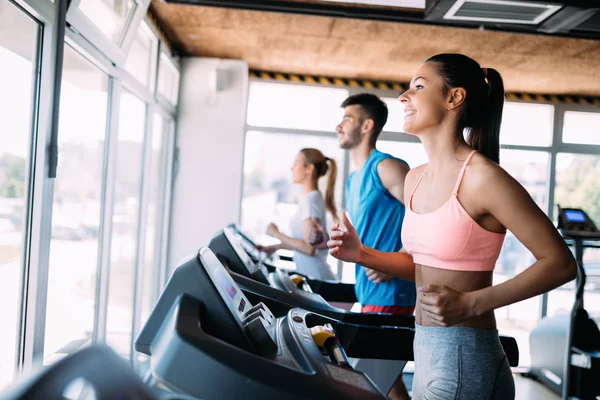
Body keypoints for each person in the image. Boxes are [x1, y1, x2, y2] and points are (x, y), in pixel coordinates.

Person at [327, 53, 577, 400]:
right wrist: (363, 254)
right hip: (426, 348)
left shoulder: (483, 178)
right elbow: (421, 266)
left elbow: (560, 263)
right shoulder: (416, 178)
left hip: (466, 357)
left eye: (417, 86)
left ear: (453, 98)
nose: (404, 96)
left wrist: (473, 304)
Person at [312, 93, 416, 400]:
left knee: (369, 379)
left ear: (367, 125)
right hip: (367, 290)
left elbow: (429, 217)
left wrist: (401, 256)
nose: (338, 125)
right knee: (384, 383)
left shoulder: (388, 167)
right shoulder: (354, 178)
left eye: (347, 118)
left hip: (391, 291)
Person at [256, 148, 338, 281]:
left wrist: (276, 233)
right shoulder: (311, 198)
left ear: (309, 169)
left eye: (296, 163)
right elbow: (304, 243)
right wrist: (275, 247)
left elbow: (308, 249)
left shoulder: (311, 201)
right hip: (312, 275)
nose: (292, 168)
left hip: (316, 277)